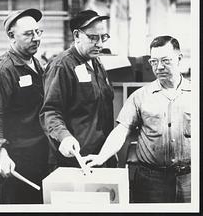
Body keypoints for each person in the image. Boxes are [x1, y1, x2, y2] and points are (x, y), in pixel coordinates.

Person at [84, 35, 191, 203]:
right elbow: (122, 129)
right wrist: (101, 156)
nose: (159, 67)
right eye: (154, 62)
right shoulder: (140, 96)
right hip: (151, 181)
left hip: (190, 178)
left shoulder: (195, 94)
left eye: (165, 60)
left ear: (179, 59)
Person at [0, 8, 49, 204]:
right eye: (28, 34)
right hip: (16, 161)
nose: (36, 38)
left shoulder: (37, 65)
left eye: (38, 32)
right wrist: (2, 154)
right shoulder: (2, 70)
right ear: (11, 36)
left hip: (41, 155)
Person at [39, 10, 117, 169]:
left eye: (103, 37)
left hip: (99, 157)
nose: (100, 44)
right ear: (76, 35)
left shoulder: (96, 63)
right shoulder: (62, 66)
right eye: (93, 38)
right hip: (74, 160)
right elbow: (50, 111)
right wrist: (65, 137)